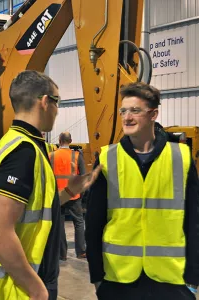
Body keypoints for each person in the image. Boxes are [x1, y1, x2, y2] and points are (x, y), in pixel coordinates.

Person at [0, 70, 101, 300]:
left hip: (31, 278)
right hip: (18, 288)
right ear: (44, 101)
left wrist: (71, 191)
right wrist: (36, 288)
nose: (58, 110)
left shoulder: (28, 146)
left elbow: (37, 209)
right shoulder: (22, 152)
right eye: (57, 102)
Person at [85, 81, 199, 300]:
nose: (127, 117)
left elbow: (194, 221)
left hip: (171, 279)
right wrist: (97, 278)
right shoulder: (108, 158)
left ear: (153, 114)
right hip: (118, 279)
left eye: (135, 111)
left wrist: (193, 279)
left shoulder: (181, 157)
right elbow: (94, 223)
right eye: (123, 111)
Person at [49, 132, 87, 260]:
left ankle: (62, 254)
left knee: (59, 224)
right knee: (79, 222)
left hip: (58, 195)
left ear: (59, 141)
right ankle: (81, 251)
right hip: (73, 194)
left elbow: (48, 177)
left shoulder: (51, 156)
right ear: (70, 140)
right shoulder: (76, 155)